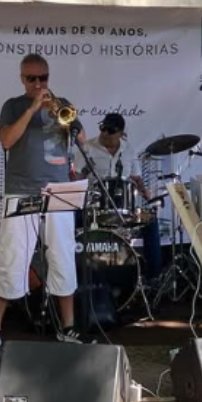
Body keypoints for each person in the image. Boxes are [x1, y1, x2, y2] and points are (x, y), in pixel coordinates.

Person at [0, 53, 86, 347]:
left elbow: (82, 139)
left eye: (42, 78)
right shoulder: (13, 105)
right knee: (12, 258)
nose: (38, 83)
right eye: (31, 78)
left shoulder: (62, 102)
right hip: (21, 190)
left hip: (59, 190)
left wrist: (62, 112)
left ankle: (68, 327)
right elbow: (6, 140)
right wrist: (32, 109)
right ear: (22, 79)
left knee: (63, 256)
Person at [76, 113, 162, 279]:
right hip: (94, 209)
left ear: (121, 134)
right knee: (67, 222)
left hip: (124, 209)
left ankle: (153, 277)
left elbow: (135, 178)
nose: (105, 134)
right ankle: (77, 276)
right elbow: (77, 178)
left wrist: (143, 190)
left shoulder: (128, 149)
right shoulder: (86, 148)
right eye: (103, 129)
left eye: (111, 131)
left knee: (151, 222)